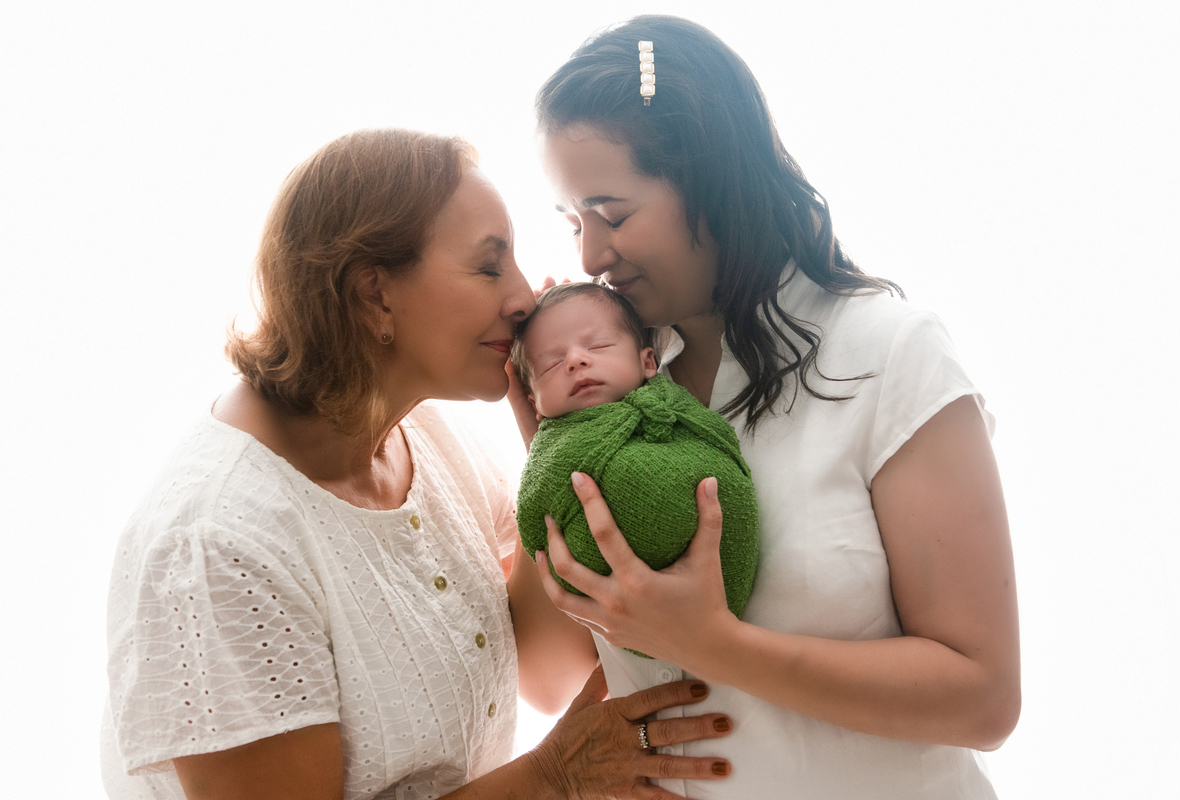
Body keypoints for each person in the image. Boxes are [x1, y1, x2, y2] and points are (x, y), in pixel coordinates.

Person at [99, 128, 736, 800]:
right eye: (490, 266)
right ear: (376, 295)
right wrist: (553, 777)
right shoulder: (215, 544)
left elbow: (545, 673)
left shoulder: (424, 435)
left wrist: (554, 455)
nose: (524, 299)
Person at [523, 14, 1021, 799]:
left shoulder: (890, 354)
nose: (589, 255)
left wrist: (717, 645)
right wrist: (549, 439)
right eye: (573, 222)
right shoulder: (617, 387)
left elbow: (983, 698)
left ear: (713, 183)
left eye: (613, 215)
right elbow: (551, 675)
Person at [509, 282, 759, 629]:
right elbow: (538, 515)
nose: (576, 360)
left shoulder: (671, 407)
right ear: (535, 403)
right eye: (552, 364)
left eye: (597, 345)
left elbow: (716, 446)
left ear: (647, 362)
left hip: (719, 594)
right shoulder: (552, 451)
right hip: (612, 611)